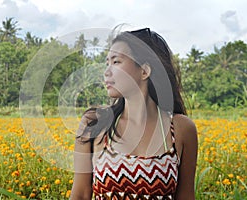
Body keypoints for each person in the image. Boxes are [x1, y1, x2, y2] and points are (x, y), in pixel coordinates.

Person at [70, 27, 198, 200]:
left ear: (144, 71)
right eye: (107, 63)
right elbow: (80, 196)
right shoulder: (94, 122)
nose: (106, 72)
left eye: (116, 62)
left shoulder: (182, 128)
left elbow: (186, 197)